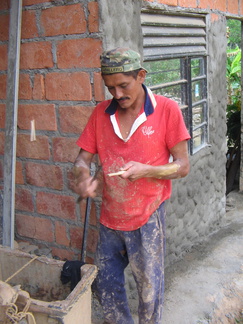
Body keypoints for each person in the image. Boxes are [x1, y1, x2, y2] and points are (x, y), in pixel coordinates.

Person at [72, 47, 190, 324]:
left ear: (141, 75)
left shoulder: (166, 110)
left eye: (123, 85)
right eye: (110, 87)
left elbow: (182, 166)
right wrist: (82, 177)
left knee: (149, 292)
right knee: (106, 287)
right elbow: (82, 159)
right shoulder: (101, 113)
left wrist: (148, 170)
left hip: (147, 217)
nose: (117, 94)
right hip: (110, 219)